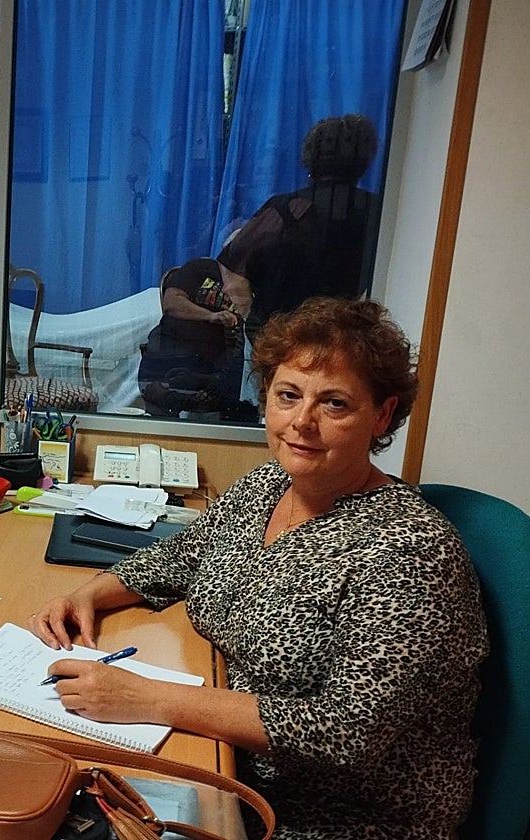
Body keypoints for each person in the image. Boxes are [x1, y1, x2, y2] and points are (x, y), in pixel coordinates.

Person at [30, 298, 488, 839]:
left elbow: (344, 731)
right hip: (226, 765)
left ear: (381, 416)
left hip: (330, 818)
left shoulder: (410, 551)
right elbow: (185, 554)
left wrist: (148, 699)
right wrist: (92, 592)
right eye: (287, 396)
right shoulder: (267, 486)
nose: (301, 422)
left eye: (334, 403)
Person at [220, 115, 381, 341]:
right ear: (363, 159)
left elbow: (233, 265)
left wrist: (252, 318)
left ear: (310, 157)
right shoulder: (378, 211)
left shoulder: (285, 209)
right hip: (338, 339)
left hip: (278, 338)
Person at [137, 256, 253, 418]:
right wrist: (211, 316)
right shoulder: (202, 268)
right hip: (174, 350)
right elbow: (171, 303)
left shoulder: (255, 283)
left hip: (220, 366)